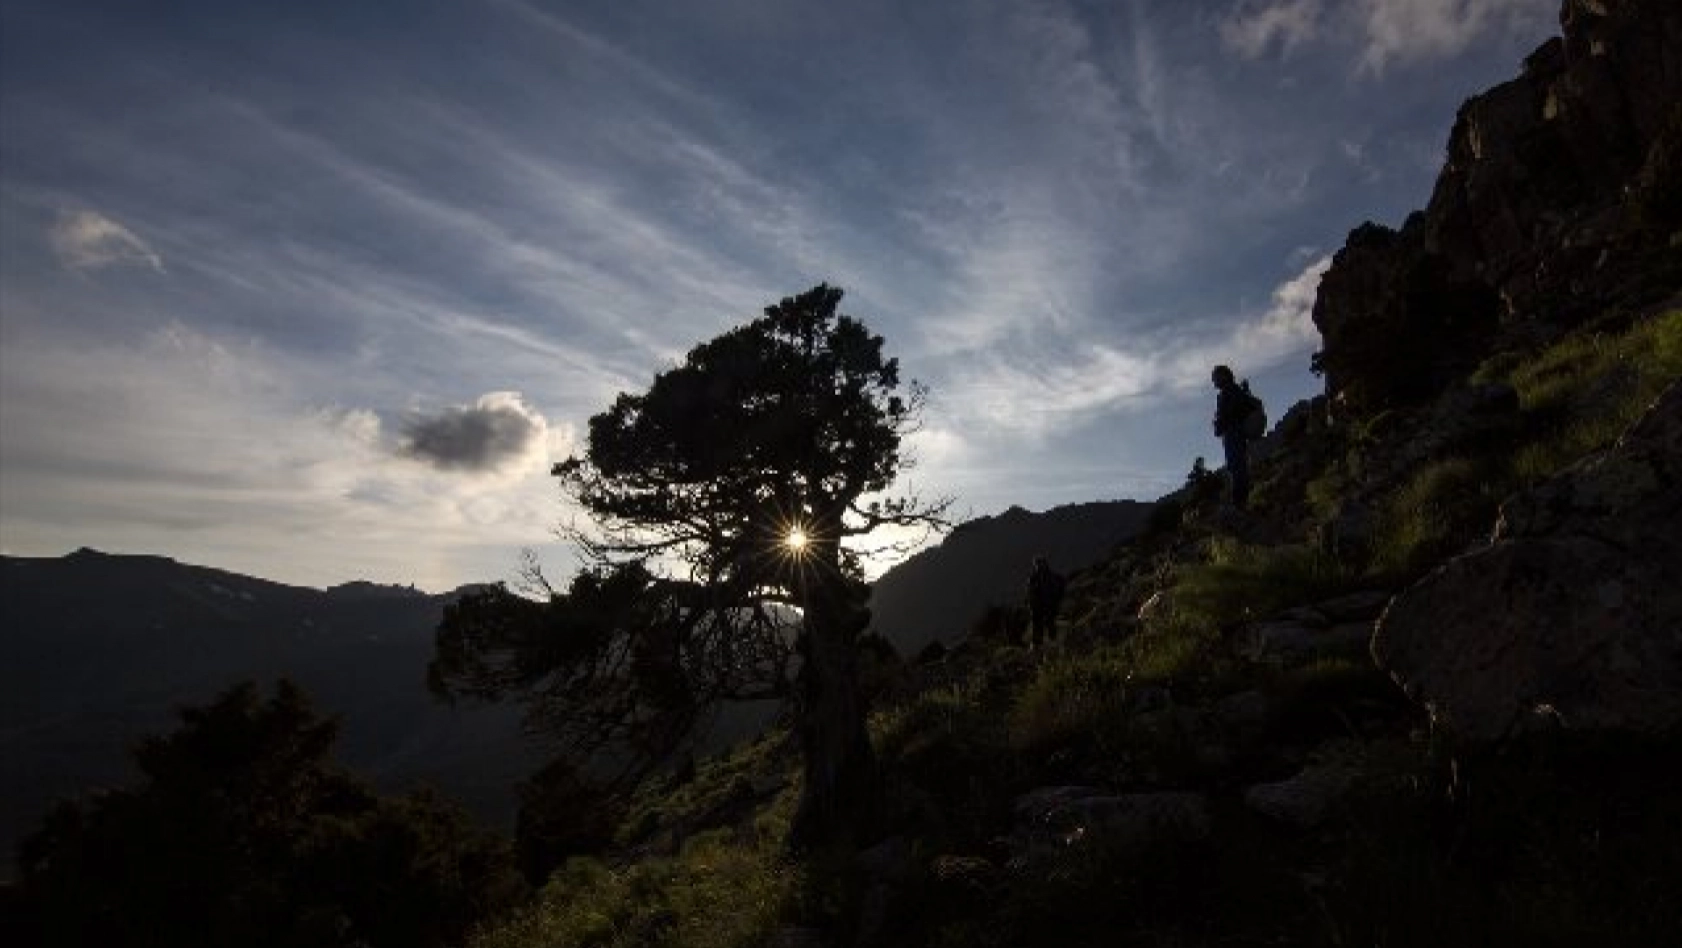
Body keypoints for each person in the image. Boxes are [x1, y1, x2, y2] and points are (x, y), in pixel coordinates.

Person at [1211, 365, 1256, 512]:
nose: (1214, 381)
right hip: (1234, 434)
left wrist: (1220, 423)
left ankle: (1240, 504)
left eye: (1216, 377)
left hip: (1234, 434)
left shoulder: (1230, 392)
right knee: (1237, 466)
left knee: (1236, 466)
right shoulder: (1232, 391)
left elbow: (1229, 414)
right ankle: (1241, 502)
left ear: (1224, 376)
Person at [1025, 556, 1066, 650]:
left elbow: (1030, 594)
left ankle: (1040, 645)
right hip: (1047, 606)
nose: (1037, 566)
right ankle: (1050, 643)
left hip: (1041, 607)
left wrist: (1030, 605)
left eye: (1037, 564)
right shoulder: (1052, 577)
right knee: (1047, 624)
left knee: (1040, 625)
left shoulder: (1034, 578)